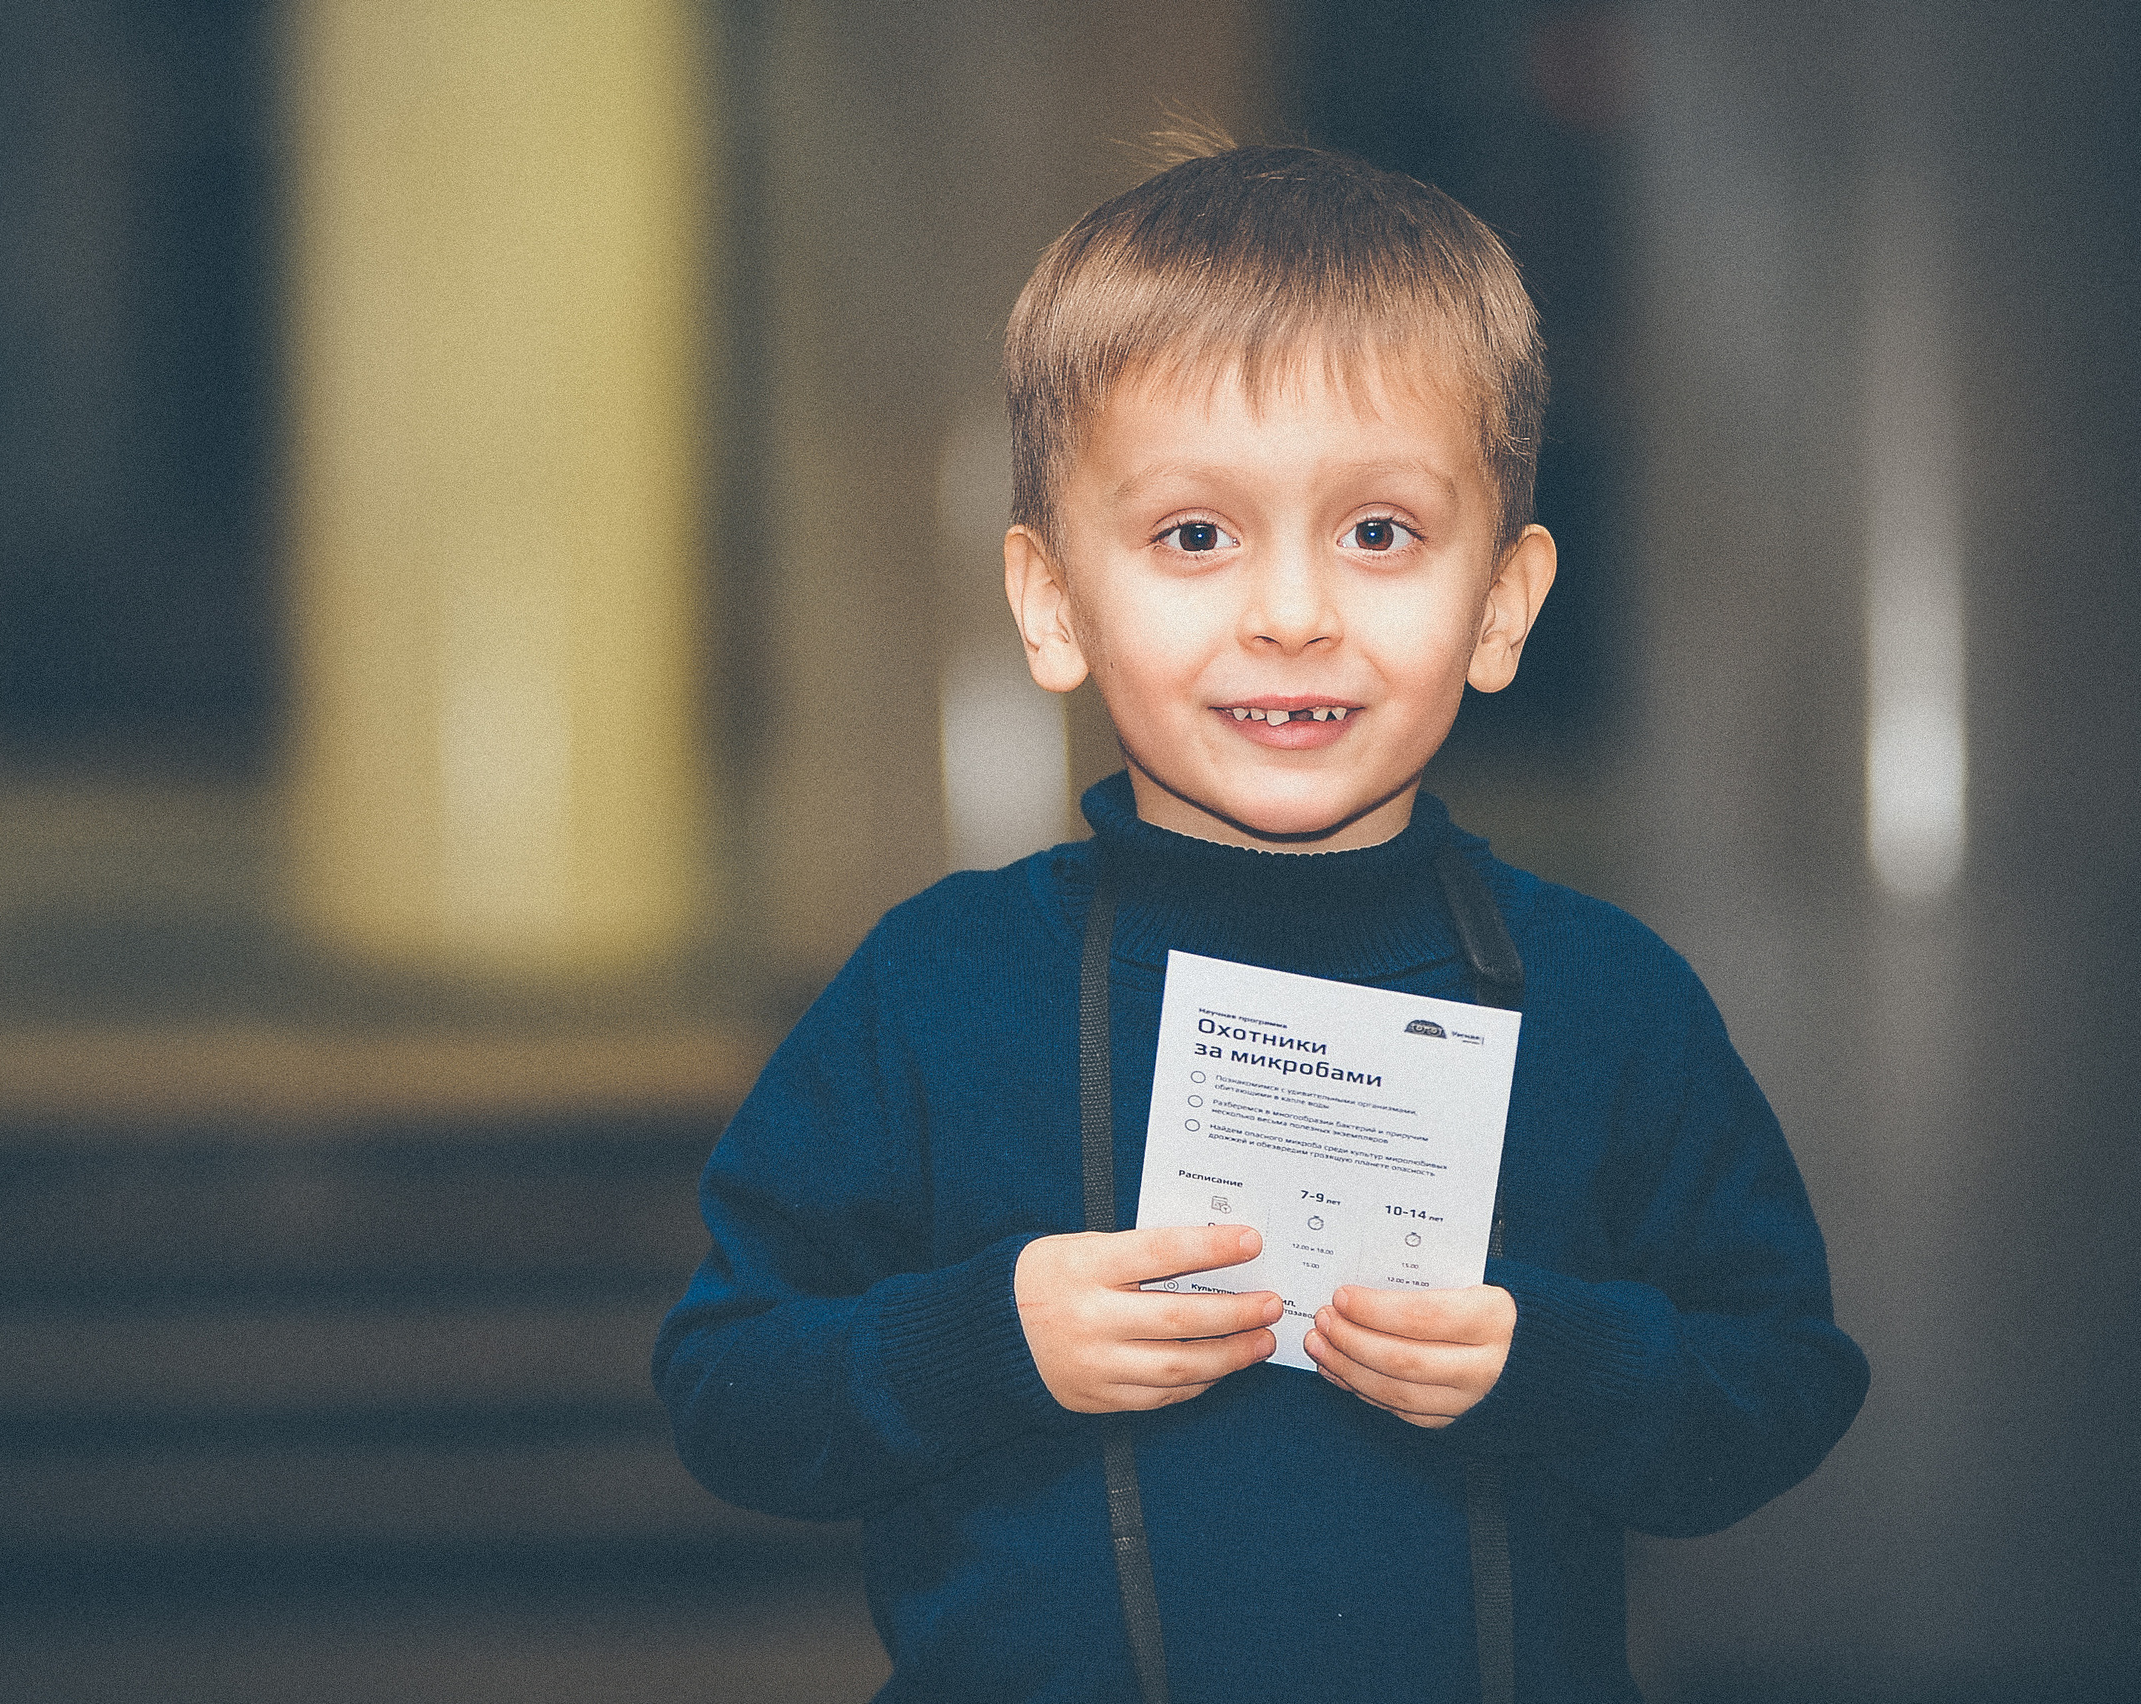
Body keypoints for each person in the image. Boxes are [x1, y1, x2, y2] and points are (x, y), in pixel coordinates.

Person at [653, 141, 1867, 1703]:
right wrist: (987, 1338)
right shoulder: (936, 993)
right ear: (1051, 603)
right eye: (1194, 536)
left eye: (1379, 534)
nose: (1291, 613)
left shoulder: (1607, 999)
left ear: (1500, 603)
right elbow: (727, 1388)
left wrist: (1549, 1361)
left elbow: (1782, 1382)